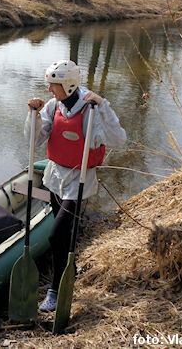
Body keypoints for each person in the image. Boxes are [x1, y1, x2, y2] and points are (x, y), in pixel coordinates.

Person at [25, 60, 126, 312]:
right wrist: (33, 115)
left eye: (53, 86)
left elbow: (118, 139)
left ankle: (55, 290)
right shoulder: (53, 106)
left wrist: (103, 106)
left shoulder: (91, 107)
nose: (49, 90)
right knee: (64, 233)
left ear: (68, 86)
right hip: (55, 177)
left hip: (79, 180)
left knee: (55, 234)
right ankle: (72, 270)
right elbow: (34, 140)